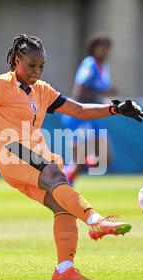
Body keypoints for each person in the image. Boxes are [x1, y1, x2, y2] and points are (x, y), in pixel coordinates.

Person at [0, 34, 143, 280]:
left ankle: (65, 269)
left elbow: (78, 110)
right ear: (17, 60)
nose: (36, 71)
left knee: (63, 204)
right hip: (10, 151)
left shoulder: (42, 90)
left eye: (41, 66)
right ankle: (96, 219)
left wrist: (115, 109)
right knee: (56, 175)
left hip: (34, 156)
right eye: (31, 65)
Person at [61, 33, 117, 185]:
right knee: (79, 160)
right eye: (102, 47)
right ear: (94, 48)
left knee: (106, 158)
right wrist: (104, 93)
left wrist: (107, 102)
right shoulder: (89, 64)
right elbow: (79, 92)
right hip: (79, 114)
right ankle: (63, 181)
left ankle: (68, 173)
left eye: (107, 48)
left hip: (93, 115)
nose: (105, 51)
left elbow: (98, 93)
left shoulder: (104, 66)